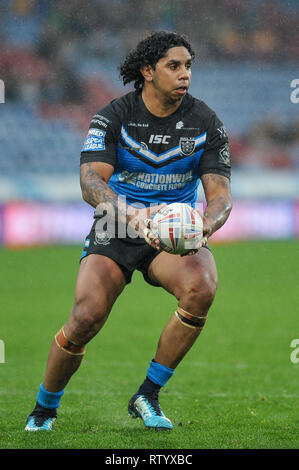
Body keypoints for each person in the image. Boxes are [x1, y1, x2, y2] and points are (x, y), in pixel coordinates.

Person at [25, 31, 232, 431]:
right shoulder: (114, 116)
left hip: (172, 232)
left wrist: (201, 227)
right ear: (147, 71)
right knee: (87, 316)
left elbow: (221, 197)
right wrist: (133, 218)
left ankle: (147, 394)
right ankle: (44, 408)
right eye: (174, 66)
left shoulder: (206, 121)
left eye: (188, 66)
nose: (184, 74)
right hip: (115, 224)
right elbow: (91, 184)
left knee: (202, 286)